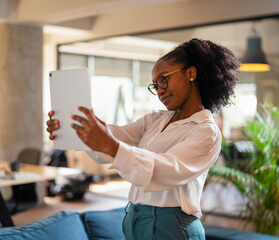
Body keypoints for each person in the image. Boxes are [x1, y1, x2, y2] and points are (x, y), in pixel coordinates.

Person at [46, 38, 239, 240]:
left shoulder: (206, 132)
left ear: (191, 73)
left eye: (164, 79)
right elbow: (115, 137)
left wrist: (110, 144)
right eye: (155, 86)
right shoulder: (155, 120)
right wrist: (78, 129)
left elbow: (165, 170)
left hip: (171, 227)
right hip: (134, 219)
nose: (160, 91)